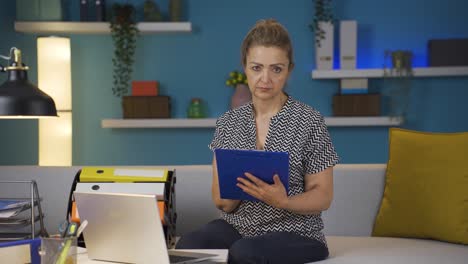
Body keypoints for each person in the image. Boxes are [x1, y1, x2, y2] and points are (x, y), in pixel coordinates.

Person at [176, 18, 339, 264]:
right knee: (189, 246)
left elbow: (323, 197)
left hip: (297, 231)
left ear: (289, 70)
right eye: (256, 68)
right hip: (239, 227)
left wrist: (283, 201)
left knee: (245, 252)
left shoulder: (310, 120)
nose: (265, 79)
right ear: (245, 67)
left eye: (276, 69)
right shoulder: (228, 123)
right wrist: (243, 185)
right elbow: (223, 203)